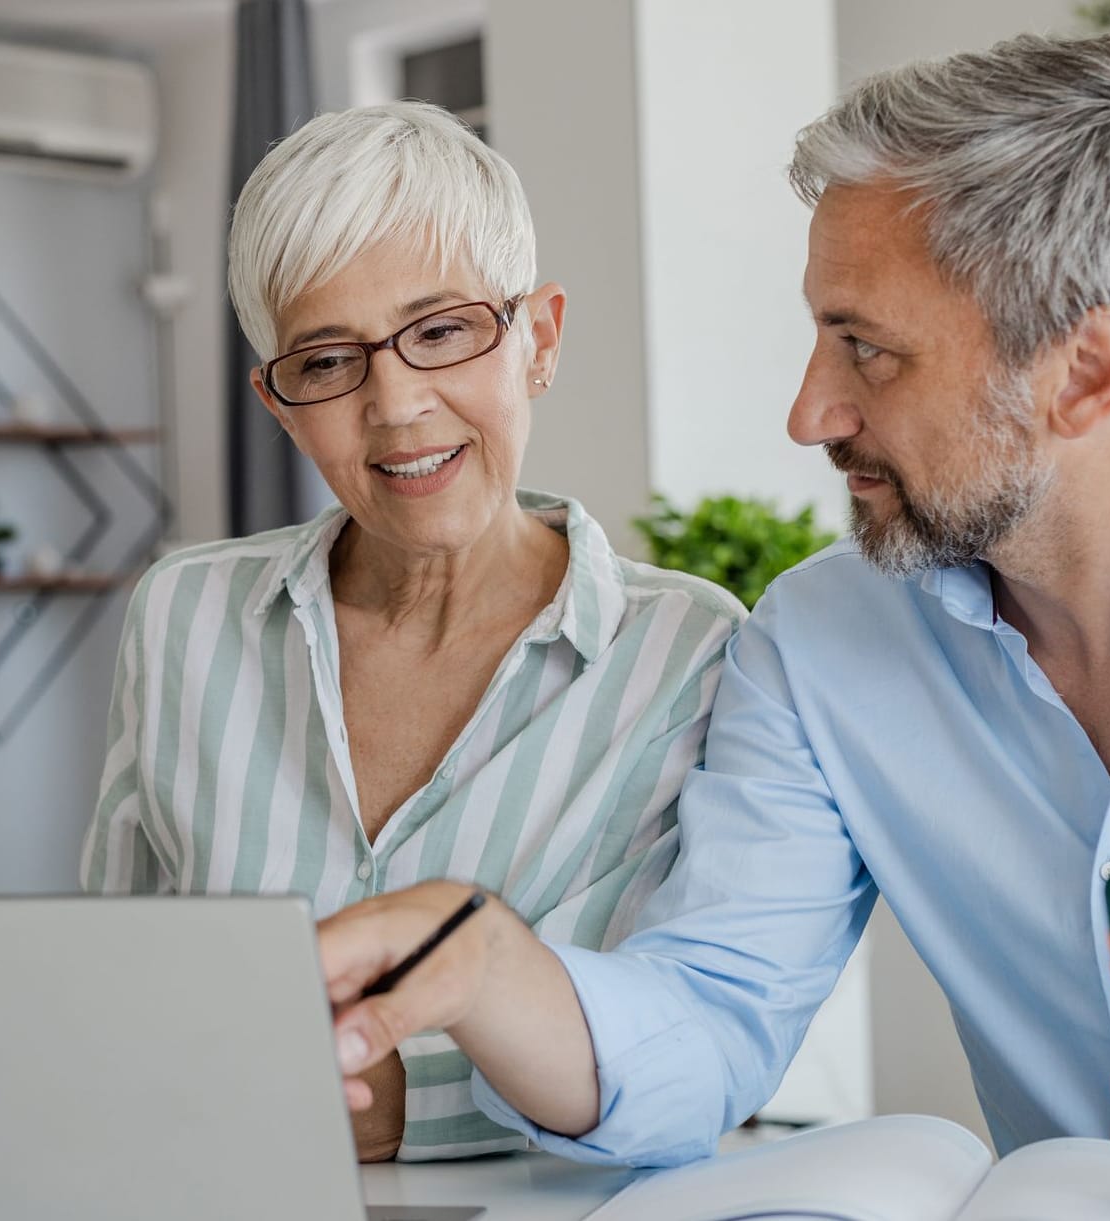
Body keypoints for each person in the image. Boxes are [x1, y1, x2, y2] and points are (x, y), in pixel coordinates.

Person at [315, 31, 1110, 1216]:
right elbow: (710, 1016)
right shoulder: (818, 642)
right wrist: (486, 963)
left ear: (1085, 373)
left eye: (867, 349)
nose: (808, 412)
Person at [79, 102, 744, 1163]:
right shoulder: (184, 616)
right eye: (328, 362)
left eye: (440, 333)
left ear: (538, 341)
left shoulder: (686, 656)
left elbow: (680, 1039)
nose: (394, 406)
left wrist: (399, 1106)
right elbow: (113, 976)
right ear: (280, 404)